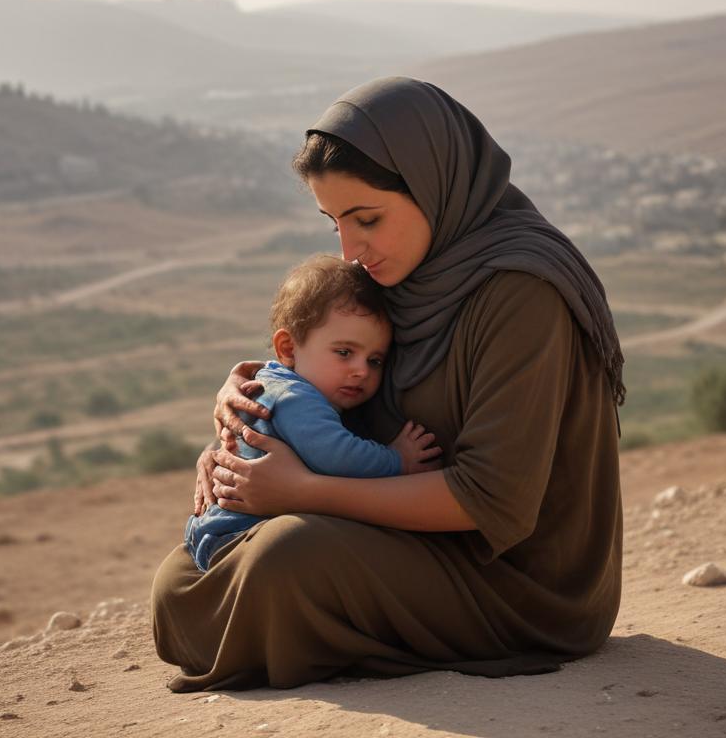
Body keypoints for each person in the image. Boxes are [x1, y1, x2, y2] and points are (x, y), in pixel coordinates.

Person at [151, 76, 625, 692]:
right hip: (397, 539)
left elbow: (490, 499)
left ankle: (303, 627)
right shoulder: (406, 273)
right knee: (178, 581)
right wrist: (247, 406)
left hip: (515, 583)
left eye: (367, 218)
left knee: (281, 561)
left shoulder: (521, 292)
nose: (351, 249)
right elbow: (326, 359)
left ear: (432, 185)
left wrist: (302, 490)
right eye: (335, 225)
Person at [183, 254, 442, 572]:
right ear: (289, 349)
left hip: (219, 531)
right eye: (344, 353)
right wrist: (397, 460)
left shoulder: (274, 384)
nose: (361, 370)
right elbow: (336, 456)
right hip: (238, 535)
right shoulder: (295, 397)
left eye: (375, 360)